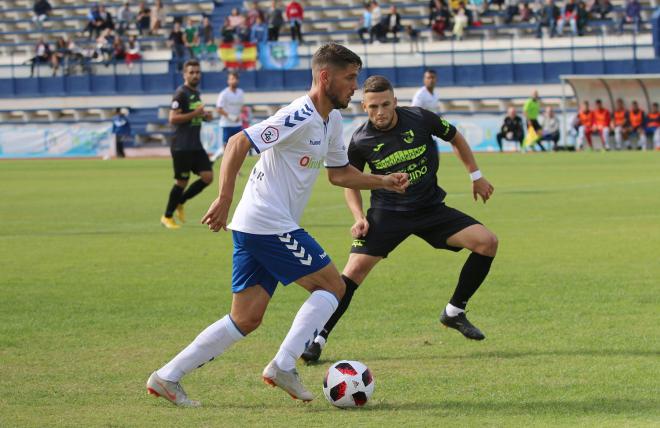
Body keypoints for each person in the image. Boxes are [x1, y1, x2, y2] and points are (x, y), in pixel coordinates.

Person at [146, 43, 408, 406]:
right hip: (266, 221)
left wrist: (383, 181)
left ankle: (167, 377)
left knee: (246, 318)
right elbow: (239, 141)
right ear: (325, 77)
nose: (355, 87)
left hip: (257, 225)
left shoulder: (332, 120)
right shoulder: (299, 115)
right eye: (350, 78)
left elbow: (339, 174)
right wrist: (223, 197)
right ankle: (284, 364)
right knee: (333, 286)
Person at [301, 75, 497, 363]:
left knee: (487, 242)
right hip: (387, 215)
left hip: (430, 209)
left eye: (384, 105)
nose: (379, 112)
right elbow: (350, 181)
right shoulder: (360, 140)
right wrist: (358, 217)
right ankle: (318, 337)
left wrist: (476, 176)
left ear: (395, 102)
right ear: (364, 107)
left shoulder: (420, 118)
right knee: (351, 275)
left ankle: (454, 311)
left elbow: (454, 136)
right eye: (372, 107)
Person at [159, 60, 214, 230]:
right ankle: (167, 216)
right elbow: (173, 118)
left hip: (195, 145)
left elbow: (193, 116)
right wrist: (196, 113)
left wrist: (204, 116)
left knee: (207, 177)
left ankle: (180, 202)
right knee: (181, 182)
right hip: (181, 146)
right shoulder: (180, 93)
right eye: (191, 72)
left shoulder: (195, 93)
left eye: (197, 72)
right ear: (185, 74)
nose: (195, 75)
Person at [211, 71, 245, 162]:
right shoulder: (224, 94)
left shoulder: (240, 92)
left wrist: (241, 115)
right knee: (226, 148)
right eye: (232, 79)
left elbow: (241, 107)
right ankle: (216, 160)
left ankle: (236, 170)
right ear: (228, 81)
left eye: (236, 79)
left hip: (237, 124)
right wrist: (231, 117)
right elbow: (218, 108)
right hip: (226, 124)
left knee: (238, 147)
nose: (234, 81)